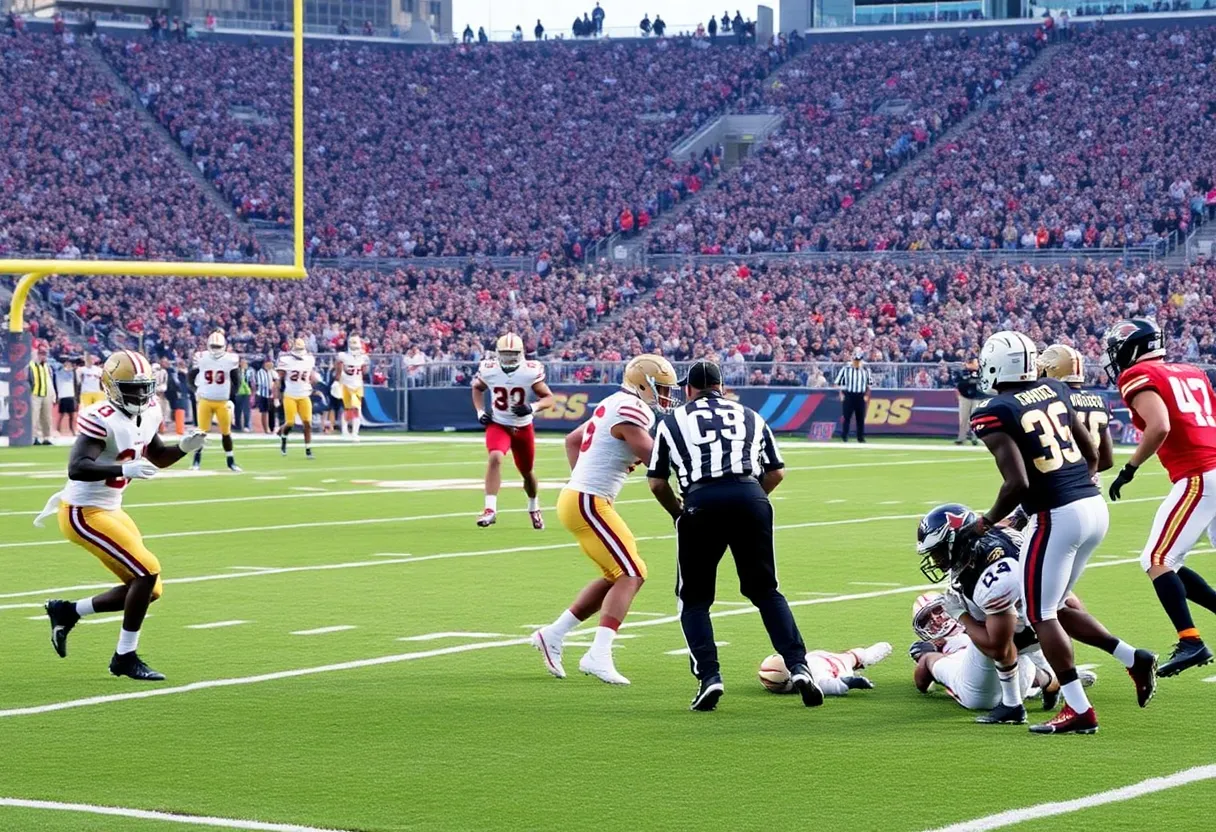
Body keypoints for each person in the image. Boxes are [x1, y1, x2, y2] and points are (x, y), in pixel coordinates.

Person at [963, 331, 1156, 734]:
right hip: (1092, 508)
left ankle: (1079, 710)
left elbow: (1015, 483)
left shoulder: (993, 411)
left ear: (997, 364)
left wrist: (986, 522)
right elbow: (1094, 455)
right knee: (1059, 606)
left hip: (1057, 516)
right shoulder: (1053, 388)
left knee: (1040, 613)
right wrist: (1077, 483)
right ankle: (1131, 657)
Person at [647, 360, 818, 712]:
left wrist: (678, 512)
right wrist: (750, 500)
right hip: (750, 495)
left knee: (694, 599)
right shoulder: (751, 415)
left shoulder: (672, 422)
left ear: (689, 389)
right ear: (721, 387)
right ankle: (799, 666)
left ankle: (710, 677)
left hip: (700, 501)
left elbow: (657, 481)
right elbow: (777, 472)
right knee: (765, 591)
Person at [38, 349, 208, 681]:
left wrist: (184, 448)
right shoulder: (99, 416)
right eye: (132, 388)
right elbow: (77, 467)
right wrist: (123, 466)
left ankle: (68, 611)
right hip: (82, 511)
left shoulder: (149, 411)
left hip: (111, 507)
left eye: (145, 387)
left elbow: (157, 456)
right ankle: (124, 657)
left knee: (150, 587)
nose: (141, 394)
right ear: (112, 387)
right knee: (146, 572)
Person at [531, 355, 676, 685]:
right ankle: (598, 654)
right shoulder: (633, 408)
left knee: (618, 574)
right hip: (588, 501)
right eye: (662, 388)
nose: (666, 396)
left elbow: (572, 440)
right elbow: (655, 458)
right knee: (632, 572)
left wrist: (582, 479)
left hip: (581, 498)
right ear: (644, 383)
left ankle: (553, 634)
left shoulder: (615, 401)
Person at [1104, 318, 1216, 677]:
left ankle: (1191, 641)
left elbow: (1160, 425)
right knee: (1171, 561)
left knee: (1157, 558)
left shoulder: (1137, 376)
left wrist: (1130, 468)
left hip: (1200, 474)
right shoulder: (1191, 371)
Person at [914, 503, 1043, 724]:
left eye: (937, 551)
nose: (935, 560)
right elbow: (1010, 520)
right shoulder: (985, 544)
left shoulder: (982, 576)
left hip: (1010, 637)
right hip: (1026, 637)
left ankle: (1054, 681)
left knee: (976, 696)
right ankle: (1055, 678)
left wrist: (960, 616)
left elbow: (996, 647)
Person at [471, 333, 555, 529]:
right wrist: (480, 411)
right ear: (498, 353)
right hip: (498, 423)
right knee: (495, 457)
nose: (508, 358)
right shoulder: (490, 369)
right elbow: (477, 388)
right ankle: (490, 509)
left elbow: (549, 398)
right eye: (505, 354)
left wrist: (532, 408)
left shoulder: (529, 371)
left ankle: (534, 506)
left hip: (523, 425)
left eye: (513, 354)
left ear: (521, 353)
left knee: (526, 473)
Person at [1038, 344, 1114, 473]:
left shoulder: (1052, 401)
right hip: (1090, 482)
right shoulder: (1100, 401)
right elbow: (1107, 461)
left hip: (1061, 480)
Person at [189, 330, 242, 472]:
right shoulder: (201, 357)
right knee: (201, 432)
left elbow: (237, 380)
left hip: (222, 402)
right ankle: (196, 461)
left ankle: (231, 461)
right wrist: (196, 390)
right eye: (213, 346)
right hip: (205, 400)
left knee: (226, 433)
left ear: (224, 346)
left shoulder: (230, 359)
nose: (216, 350)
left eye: (218, 346)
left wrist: (230, 396)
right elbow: (191, 376)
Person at [759, 644, 891, 697]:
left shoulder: (816, 679)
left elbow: (832, 685)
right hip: (834, 663)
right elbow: (834, 685)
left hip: (837, 665)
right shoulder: (810, 664)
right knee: (855, 656)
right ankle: (863, 657)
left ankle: (863, 657)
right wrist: (853, 682)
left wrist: (854, 682)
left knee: (855, 656)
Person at [277, 338, 316, 458]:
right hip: (290, 395)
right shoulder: (286, 360)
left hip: (304, 395)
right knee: (290, 423)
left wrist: (311, 385)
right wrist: (277, 395)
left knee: (308, 423)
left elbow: (311, 376)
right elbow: (280, 379)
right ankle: (283, 438)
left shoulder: (309, 359)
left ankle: (308, 450)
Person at [335, 335, 369, 441]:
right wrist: (337, 382)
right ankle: (345, 431)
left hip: (357, 385)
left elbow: (364, 372)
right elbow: (338, 370)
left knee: (356, 408)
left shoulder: (363, 357)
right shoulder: (343, 356)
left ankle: (354, 432)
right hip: (346, 385)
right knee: (348, 410)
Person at [834, 348, 871, 442]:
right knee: (847, 417)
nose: (857, 362)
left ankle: (860, 437)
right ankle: (844, 436)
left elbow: (869, 384)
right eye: (855, 360)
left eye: (858, 361)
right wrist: (841, 393)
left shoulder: (866, 370)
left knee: (860, 418)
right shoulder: (846, 369)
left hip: (860, 395)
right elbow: (837, 382)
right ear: (852, 359)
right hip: (849, 395)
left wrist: (866, 395)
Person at [29, 346, 55, 445]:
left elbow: (50, 380)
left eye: (44, 354)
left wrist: (53, 393)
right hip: (35, 392)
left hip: (46, 392)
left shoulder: (47, 366)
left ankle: (46, 437)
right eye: (41, 354)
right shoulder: (31, 366)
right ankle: (34, 437)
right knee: (34, 416)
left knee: (47, 417)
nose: (43, 356)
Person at [954, 357, 982, 445]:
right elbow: (958, 383)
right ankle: (962, 437)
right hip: (964, 396)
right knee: (963, 418)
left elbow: (980, 381)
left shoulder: (981, 372)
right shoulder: (962, 372)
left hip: (977, 397)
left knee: (975, 418)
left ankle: (975, 437)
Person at [55, 357, 78, 437]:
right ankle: (58, 430)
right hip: (63, 396)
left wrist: (75, 396)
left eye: (70, 364)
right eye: (67, 363)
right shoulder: (59, 373)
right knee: (61, 415)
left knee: (72, 415)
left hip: (70, 395)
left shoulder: (73, 373)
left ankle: (72, 430)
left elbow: (75, 384)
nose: (69, 365)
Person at [234, 357, 252, 432]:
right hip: (237, 392)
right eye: (242, 362)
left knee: (246, 410)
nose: (244, 364)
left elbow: (252, 382)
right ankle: (238, 425)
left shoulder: (249, 371)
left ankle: (246, 426)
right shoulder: (235, 371)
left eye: (245, 362)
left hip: (246, 392)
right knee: (237, 410)